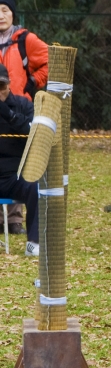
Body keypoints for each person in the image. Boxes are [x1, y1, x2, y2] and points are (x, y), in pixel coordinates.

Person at [0, 0, 47, 235]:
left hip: (18, 107)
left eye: (5, 10)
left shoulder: (24, 39)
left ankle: (14, 220)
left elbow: (49, 59)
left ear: (13, 13)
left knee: (19, 163)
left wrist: (32, 83)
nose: (0, 16)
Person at [0, 64, 38, 255]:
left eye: (1, 86)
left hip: (13, 175)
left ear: (9, 85)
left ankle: (34, 242)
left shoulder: (23, 105)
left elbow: (34, 132)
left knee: (35, 186)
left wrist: (8, 113)